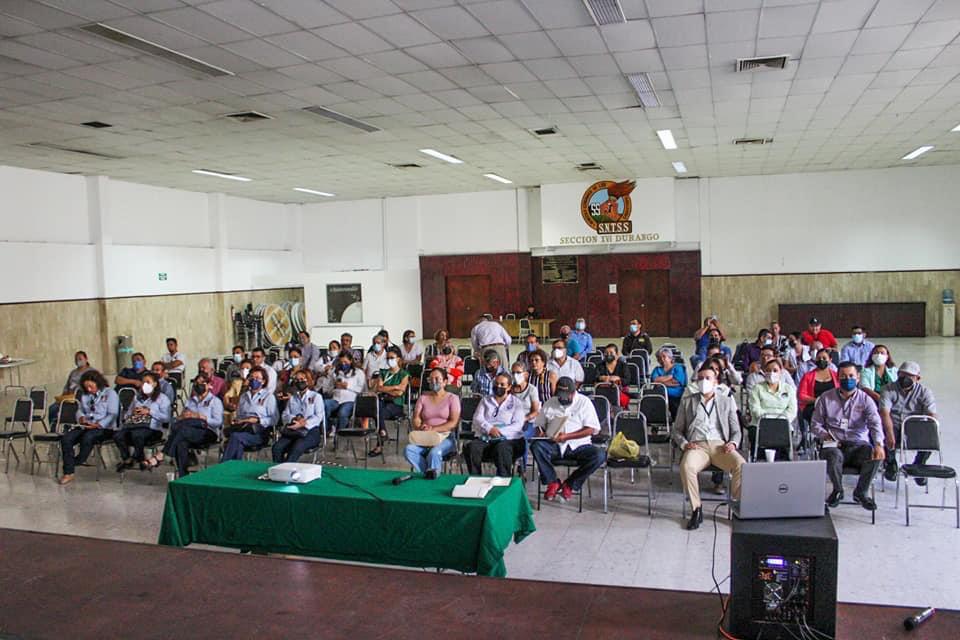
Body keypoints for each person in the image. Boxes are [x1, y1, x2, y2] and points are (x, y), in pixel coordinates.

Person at [672, 366, 744, 530]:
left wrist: (733, 443)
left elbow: (736, 430)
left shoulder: (726, 401)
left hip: (720, 446)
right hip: (697, 446)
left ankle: (737, 504)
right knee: (686, 466)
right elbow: (676, 430)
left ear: (716, 382)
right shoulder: (687, 402)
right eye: (700, 378)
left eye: (708, 378)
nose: (703, 381)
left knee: (741, 464)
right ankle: (696, 509)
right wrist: (684, 444)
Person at [811, 362, 884, 510]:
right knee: (832, 454)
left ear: (858, 378)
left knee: (875, 455)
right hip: (834, 442)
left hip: (858, 443)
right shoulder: (826, 398)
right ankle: (837, 490)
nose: (847, 379)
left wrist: (878, 444)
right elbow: (815, 424)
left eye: (851, 376)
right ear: (838, 378)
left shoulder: (866, 400)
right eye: (843, 376)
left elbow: (875, 423)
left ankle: (861, 492)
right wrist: (825, 435)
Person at [533, 376, 605, 502]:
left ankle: (570, 484)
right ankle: (552, 482)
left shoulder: (584, 402)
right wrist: (541, 433)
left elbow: (591, 429)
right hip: (555, 445)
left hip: (579, 446)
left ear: (573, 392)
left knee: (599, 455)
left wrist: (566, 436)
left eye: (566, 396)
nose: (563, 398)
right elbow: (538, 425)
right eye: (560, 396)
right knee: (536, 446)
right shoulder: (550, 402)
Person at [145, 372, 223, 477]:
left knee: (182, 431)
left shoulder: (215, 401)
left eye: (202, 383)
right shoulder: (190, 401)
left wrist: (201, 416)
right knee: (181, 442)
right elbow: (179, 420)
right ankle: (183, 475)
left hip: (207, 431)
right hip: (188, 430)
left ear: (209, 385)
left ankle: (161, 455)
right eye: (196, 383)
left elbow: (218, 422)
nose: (198, 385)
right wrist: (182, 416)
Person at [879, 361, 937, 483]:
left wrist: (931, 427)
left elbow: (932, 415)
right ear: (898, 374)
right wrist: (889, 433)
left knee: (932, 433)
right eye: (902, 374)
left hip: (914, 427)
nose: (905, 378)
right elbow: (885, 413)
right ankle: (890, 462)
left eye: (910, 376)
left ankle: (919, 464)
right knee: (881, 430)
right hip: (893, 424)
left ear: (917, 378)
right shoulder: (887, 389)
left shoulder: (925, 392)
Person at [58, 370, 119, 485]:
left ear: (98, 383)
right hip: (86, 425)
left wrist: (98, 424)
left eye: (91, 386)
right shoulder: (85, 395)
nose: (89, 389)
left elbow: (113, 414)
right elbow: (80, 410)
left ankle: (78, 460)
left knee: (88, 437)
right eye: (87, 387)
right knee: (67, 438)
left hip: (104, 428)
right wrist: (81, 418)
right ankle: (68, 473)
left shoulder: (110, 393)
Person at [465, 373, 526, 477]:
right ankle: (475, 479)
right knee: (472, 447)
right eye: (496, 383)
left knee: (502, 448)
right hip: (487, 437)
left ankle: (503, 480)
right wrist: (489, 429)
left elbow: (518, 425)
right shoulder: (485, 400)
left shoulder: (516, 403)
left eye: (502, 384)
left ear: (509, 387)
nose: (498, 386)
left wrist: (498, 431)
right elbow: (477, 418)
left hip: (509, 439)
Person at [404, 368, 460, 475]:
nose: (434, 381)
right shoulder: (423, 398)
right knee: (408, 450)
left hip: (445, 437)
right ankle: (428, 474)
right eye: (431, 379)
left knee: (434, 453)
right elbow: (416, 418)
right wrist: (420, 427)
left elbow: (453, 422)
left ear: (445, 382)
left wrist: (433, 429)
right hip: (426, 437)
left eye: (437, 379)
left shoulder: (453, 398)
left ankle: (431, 475)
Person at [113, 372, 172, 472]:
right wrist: (133, 413)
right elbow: (127, 413)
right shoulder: (137, 397)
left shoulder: (162, 398)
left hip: (153, 429)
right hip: (134, 425)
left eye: (148, 382)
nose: (145, 384)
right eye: (143, 382)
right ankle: (127, 458)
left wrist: (149, 412)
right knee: (117, 435)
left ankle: (137, 458)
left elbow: (166, 418)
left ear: (155, 384)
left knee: (137, 435)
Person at [221, 367, 277, 461]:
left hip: (259, 432)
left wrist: (258, 420)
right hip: (243, 428)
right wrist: (238, 421)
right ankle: (234, 466)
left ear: (263, 381)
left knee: (235, 437)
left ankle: (224, 465)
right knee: (237, 441)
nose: (254, 380)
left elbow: (274, 419)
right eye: (251, 377)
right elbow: (239, 414)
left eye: (257, 378)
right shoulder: (244, 396)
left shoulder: (269, 397)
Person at [747, 358, 797, 460]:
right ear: (764, 372)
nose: (771, 373)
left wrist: (779, 419)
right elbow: (755, 409)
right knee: (755, 435)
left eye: (775, 370)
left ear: (781, 372)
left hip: (783, 425)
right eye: (768, 370)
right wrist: (769, 419)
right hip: (760, 424)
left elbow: (792, 410)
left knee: (783, 448)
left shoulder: (788, 389)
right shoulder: (757, 388)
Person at [272, 370, 325, 463]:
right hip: (293, 430)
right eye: (296, 380)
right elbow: (285, 414)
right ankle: (278, 468)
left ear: (308, 380)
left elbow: (319, 416)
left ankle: (287, 469)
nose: (299, 382)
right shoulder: (292, 398)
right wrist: (293, 419)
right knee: (277, 447)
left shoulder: (316, 396)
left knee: (296, 448)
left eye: (302, 379)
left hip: (310, 431)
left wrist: (303, 423)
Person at [368, 346, 409, 457]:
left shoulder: (404, 374)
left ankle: (380, 441)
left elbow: (399, 393)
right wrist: (395, 387)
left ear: (398, 359)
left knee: (378, 412)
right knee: (377, 410)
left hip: (396, 404)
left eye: (392, 358)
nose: (389, 360)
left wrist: (386, 389)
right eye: (387, 358)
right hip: (382, 402)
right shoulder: (383, 372)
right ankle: (382, 434)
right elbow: (379, 388)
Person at [326, 352, 366, 434]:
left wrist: (347, 386)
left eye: (345, 362)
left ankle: (340, 433)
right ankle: (328, 428)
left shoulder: (359, 373)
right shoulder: (335, 372)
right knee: (324, 404)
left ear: (350, 361)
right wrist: (335, 386)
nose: (343, 364)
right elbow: (328, 389)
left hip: (350, 400)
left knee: (343, 412)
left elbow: (361, 389)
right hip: (336, 399)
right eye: (341, 362)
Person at [49, 350, 92, 424]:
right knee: (53, 408)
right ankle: (53, 426)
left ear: (86, 359)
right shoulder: (73, 373)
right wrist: (62, 396)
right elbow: (67, 386)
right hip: (69, 398)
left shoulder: (91, 372)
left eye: (80, 359)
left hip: (81, 399)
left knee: (68, 410)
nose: (78, 361)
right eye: (76, 359)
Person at [798, 349, 839, 423]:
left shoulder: (836, 376)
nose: (821, 360)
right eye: (818, 358)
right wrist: (817, 400)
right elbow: (801, 395)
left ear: (830, 360)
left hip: (833, 406)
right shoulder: (807, 376)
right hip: (813, 406)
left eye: (824, 358)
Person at [650, 347, 687, 419]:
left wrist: (661, 383)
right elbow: (654, 380)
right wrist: (670, 377)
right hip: (660, 395)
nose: (662, 359)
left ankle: (675, 420)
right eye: (659, 357)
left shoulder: (678, 367)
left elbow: (677, 382)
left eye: (664, 356)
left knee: (673, 404)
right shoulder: (657, 369)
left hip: (675, 395)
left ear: (670, 358)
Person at [510, 361, 541, 442]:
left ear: (526, 374)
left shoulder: (532, 389)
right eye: (513, 373)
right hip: (512, 421)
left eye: (518, 372)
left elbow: (536, 411)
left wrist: (524, 418)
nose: (515, 375)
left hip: (528, 422)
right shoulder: (509, 389)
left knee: (522, 436)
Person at [597, 343, 630, 408]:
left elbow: (627, 380)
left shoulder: (623, 366)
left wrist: (618, 378)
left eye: (611, 353)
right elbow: (594, 378)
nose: (608, 354)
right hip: (603, 392)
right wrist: (601, 378)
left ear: (617, 355)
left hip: (620, 392)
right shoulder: (600, 366)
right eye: (606, 353)